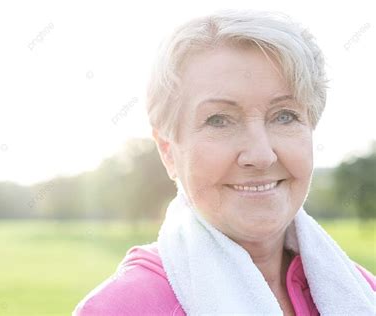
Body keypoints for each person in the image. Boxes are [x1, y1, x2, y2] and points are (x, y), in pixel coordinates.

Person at [74, 10, 376, 315]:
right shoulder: (118, 309)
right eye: (219, 120)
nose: (261, 155)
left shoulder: (363, 294)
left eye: (285, 116)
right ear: (168, 151)